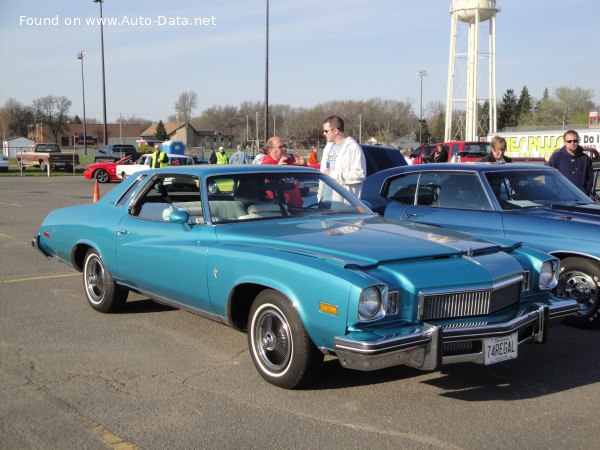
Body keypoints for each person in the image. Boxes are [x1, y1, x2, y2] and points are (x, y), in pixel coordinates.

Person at [319, 115, 366, 197]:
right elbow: (323, 171)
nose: (324, 134)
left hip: (343, 202)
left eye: (326, 131)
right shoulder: (327, 147)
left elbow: (360, 175)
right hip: (325, 199)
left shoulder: (353, 147)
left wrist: (333, 174)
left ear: (335, 131)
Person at [261, 136, 306, 207]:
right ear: (271, 150)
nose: (284, 149)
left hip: (297, 208)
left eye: (284, 146)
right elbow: (266, 181)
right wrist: (277, 168)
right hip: (278, 209)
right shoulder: (266, 164)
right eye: (280, 147)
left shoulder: (289, 161)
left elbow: (306, 177)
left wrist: (302, 164)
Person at [548, 130, 593, 194]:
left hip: (581, 198)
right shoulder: (556, 157)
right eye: (569, 141)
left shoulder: (585, 158)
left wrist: (585, 193)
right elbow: (549, 178)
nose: (572, 143)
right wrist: (556, 193)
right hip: (561, 198)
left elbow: (590, 178)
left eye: (575, 141)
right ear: (564, 142)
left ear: (578, 141)